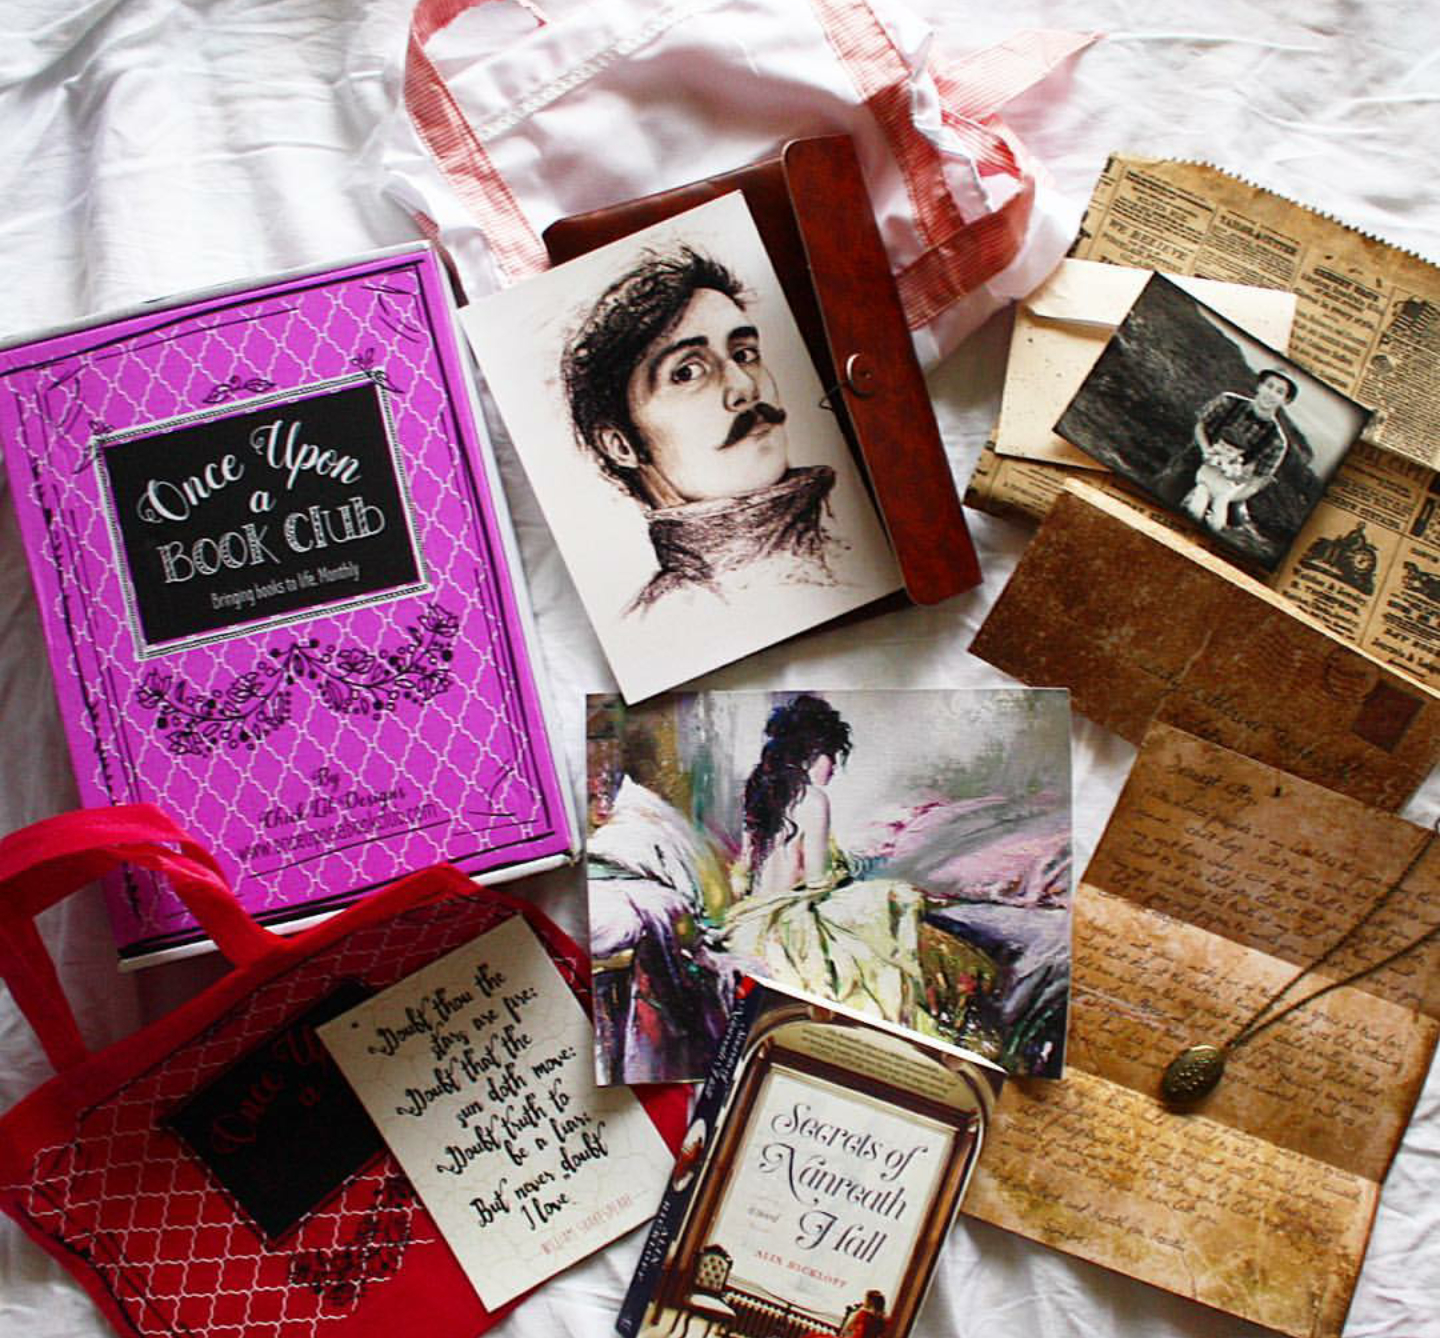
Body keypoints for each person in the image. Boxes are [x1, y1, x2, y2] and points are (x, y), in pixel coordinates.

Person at [561, 247, 838, 613]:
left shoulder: (856, 550)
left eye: (744, 354)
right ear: (621, 445)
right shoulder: (669, 619)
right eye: (687, 372)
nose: (744, 387)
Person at [725, 695, 920, 1021]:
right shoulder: (813, 799)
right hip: (789, 920)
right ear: (814, 752)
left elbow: (745, 869)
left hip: (752, 918)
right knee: (898, 902)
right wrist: (846, 873)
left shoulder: (760, 790)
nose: (833, 768)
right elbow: (816, 880)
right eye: (832, 755)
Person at [1179, 368, 1297, 534]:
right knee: (1166, 496)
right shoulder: (1228, 401)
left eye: (1279, 392)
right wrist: (1206, 451)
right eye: (1269, 386)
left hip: (1228, 483)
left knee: (1222, 527)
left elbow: (1257, 483)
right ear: (1260, 386)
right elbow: (1200, 425)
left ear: (1285, 401)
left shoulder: (1278, 442)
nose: (1271, 394)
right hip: (1195, 461)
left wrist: (1222, 497)